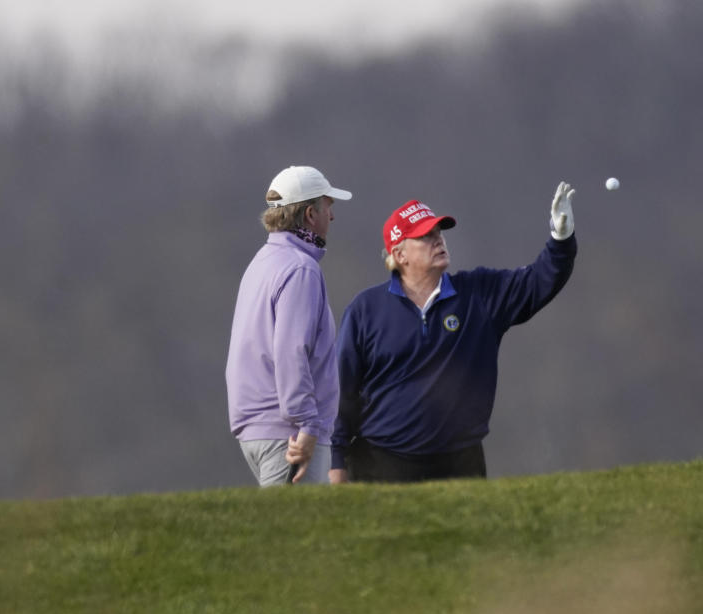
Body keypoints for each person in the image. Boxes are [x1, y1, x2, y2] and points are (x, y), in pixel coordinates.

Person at [329, 181, 577, 483]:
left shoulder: (479, 294)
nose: (438, 241)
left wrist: (560, 239)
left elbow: (539, 281)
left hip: (461, 462)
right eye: (425, 237)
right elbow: (343, 390)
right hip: (382, 463)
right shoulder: (366, 309)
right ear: (400, 254)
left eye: (439, 234)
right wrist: (336, 458)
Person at [226, 165, 352, 486]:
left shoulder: (263, 261)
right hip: (289, 433)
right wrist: (308, 425)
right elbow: (291, 354)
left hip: (259, 429)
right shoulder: (300, 269)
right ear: (311, 214)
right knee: (298, 535)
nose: (332, 217)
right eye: (328, 207)